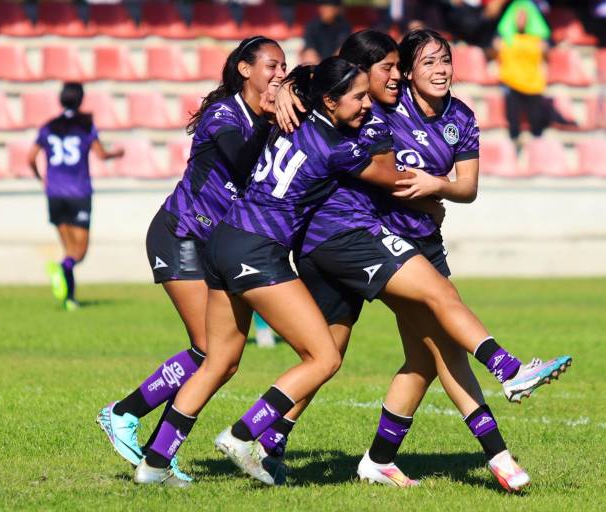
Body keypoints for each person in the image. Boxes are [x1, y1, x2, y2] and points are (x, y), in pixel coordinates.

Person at [247, 29, 572, 492]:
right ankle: (507, 386)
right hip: (362, 237)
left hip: (413, 240)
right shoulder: (377, 102)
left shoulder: (460, 116)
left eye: (445, 60)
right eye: (424, 63)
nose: (436, 70)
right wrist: (287, 87)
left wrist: (437, 187)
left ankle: (350, 455)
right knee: (433, 328)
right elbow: (338, 81)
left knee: (404, 356)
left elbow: (467, 187)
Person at [133, 57, 416, 487]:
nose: (366, 104)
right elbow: (391, 176)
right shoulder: (336, 147)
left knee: (218, 361)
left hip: (223, 240)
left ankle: (153, 467)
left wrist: (287, 87)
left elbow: (306, 75)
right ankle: (242, 434)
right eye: (358, 97)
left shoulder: (291, 118)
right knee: (324, 357)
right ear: (329, 100)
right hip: (258, 248)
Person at [95, 36, 287, 482]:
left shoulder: (267, 120)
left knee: (226, 359)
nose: (280, 74)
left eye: (284, 67)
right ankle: (124, 413)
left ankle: (158, 454)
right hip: (180, 234)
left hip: (219, 248)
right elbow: (241, 159)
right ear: (245, 69)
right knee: (209, 350)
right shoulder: (225, 114)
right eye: (272, 65)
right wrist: (273, 119)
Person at [28, 82, 124, 311]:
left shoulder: (48, 126)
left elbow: (30, 158)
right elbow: (101, 154)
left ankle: (69, 299)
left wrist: (41, 179)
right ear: (81, 100)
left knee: (69, 250)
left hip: (54, 193)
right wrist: (116, 153)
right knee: (79, 252)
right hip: (78, 193)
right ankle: (61, 269)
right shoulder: (85, 125)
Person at [494, 6, 550, 143]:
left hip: (532, 83)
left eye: (524, 17)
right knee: (513, 119)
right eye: (518, 17)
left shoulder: (538, 40)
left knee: (536, 120)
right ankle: (514, 142)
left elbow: (545, 56)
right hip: (512, 81)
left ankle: (537, 145)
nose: (521, 20)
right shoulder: (503, 39)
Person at [300, 0, 352, 65]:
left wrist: (330, 65)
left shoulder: (344, 26)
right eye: (322, 6)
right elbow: (310, 48)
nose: (323, 10)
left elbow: (341, 49)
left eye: (326, 8)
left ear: (336, 9)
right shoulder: (312, 26)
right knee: (309, 57)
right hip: (317, 63)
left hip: (334, 64)